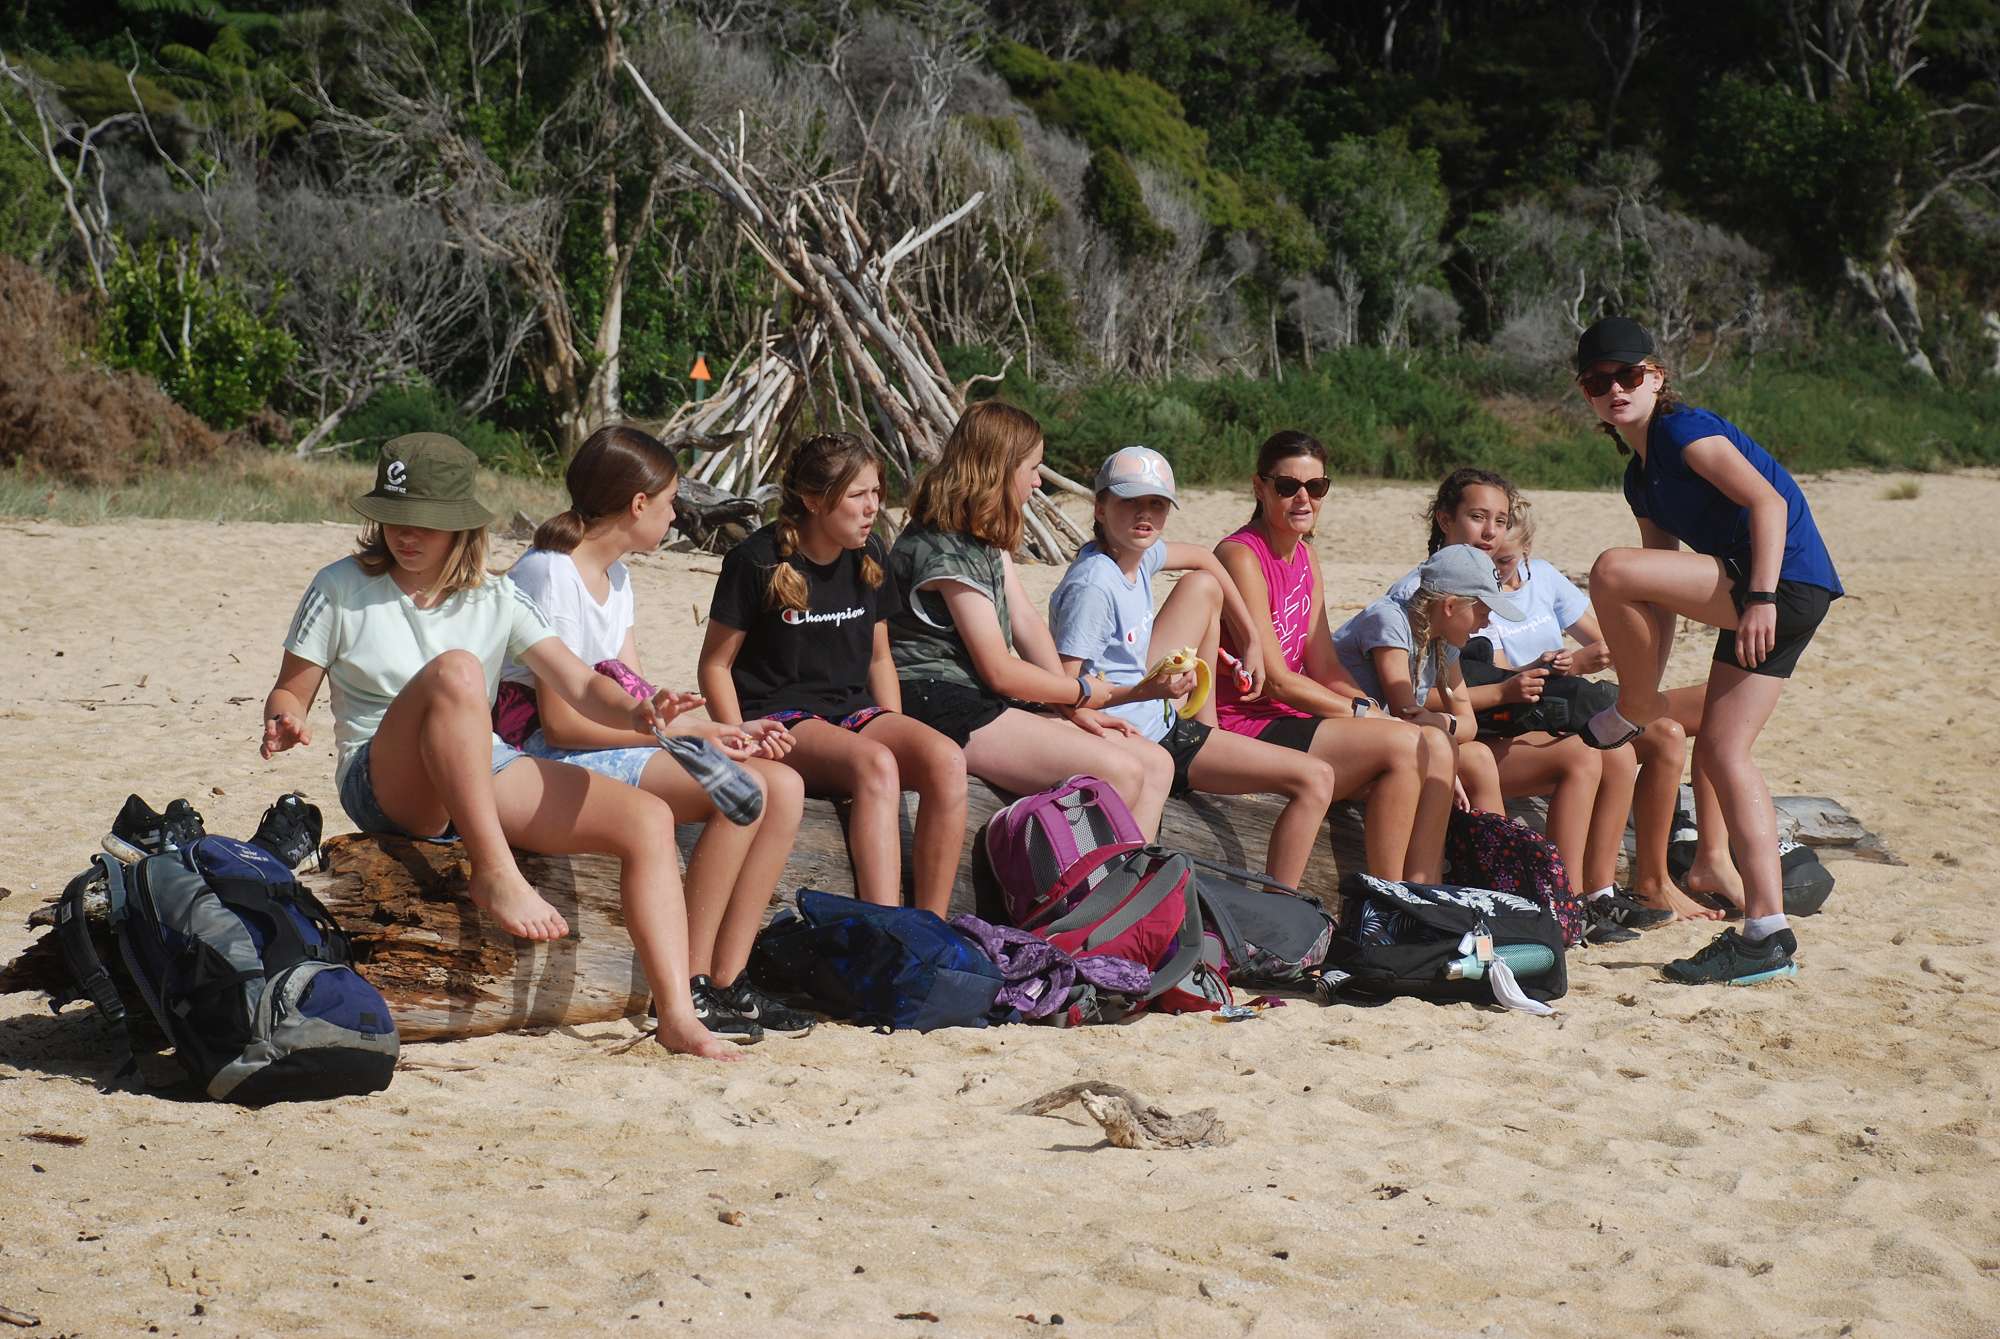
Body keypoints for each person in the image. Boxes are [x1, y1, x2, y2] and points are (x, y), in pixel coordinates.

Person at [261, 432, 741, 1060]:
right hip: (385, 776)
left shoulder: (496, 596)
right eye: (395, 517)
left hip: (480, 764)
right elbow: (289, 691)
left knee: (648, 819)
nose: (405, 534)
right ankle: (494, 871)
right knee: (458, 670)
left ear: (460, 525)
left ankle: (677, 1014)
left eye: (424, 521)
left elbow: (579, 684)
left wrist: (640, 710)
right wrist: (286, 718)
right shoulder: (340, 585)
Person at [499, 423, 813, 1042]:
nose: (676, 516)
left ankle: (728, 977)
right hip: (539, 750)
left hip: (599, 734)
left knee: (785, 786)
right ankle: (689, 982)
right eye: (670, 502)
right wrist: (689, 743)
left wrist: (725, 730)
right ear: (637, 503)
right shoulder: (551, 573)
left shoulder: (615, 576)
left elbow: (641, 701)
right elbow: (561, 724)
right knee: (741, 792)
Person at [1573, 315, 1842, 985]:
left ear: (1656, 377)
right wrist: (1645, 687)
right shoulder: (1639, 478)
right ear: (1586, 394)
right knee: (1723, 752)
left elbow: (1769, 503)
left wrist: (1761, 598)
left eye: (1628, 375)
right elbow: (1654, 596)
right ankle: (1767, 933)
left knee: (1609, 568)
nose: (1615, 389)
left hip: (1778, 583)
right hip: (1779, 588)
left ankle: (1636, 706)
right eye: (1599, 382)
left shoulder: (1682, 430)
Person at [699, 432, 968, 917]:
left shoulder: (869, 552)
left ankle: (931, 925)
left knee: (946, 758)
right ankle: (884, 929)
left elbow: (880, 659)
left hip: (852, 711)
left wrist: (895, 723)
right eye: (857, 494)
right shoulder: (758, 560)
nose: (873, 507)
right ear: (813, 500)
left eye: (876, 492)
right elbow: (715, 665)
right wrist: (738, 736)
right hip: (781, 717)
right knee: (876, 763)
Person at [1047, 446, 1334, 887]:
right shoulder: (1095, 585)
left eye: (1157, 504)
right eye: (1130, 502)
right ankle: (1271, 908)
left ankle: (1282, 913)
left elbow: (1204, 558)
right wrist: (1144, 694)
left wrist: (1251, 639)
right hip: (1136, 734)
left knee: (1317, 776)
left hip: (1163, 720)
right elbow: (1069, 689)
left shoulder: (1138, 554)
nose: (1145, 515)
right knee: (1312, 778)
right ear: (1100, 508)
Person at [1397, 470, 1664, 939]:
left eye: (1499, 521)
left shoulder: (1496, 584)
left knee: (1622, 746)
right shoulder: (1424, 595)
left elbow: (1466, 687)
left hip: (1493, 725)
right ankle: (1565, 902)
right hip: (1467, 735)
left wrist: (1553, 671)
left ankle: (1591, 895)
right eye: (1477, 517)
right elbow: (1410, 695)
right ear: (1444, 519)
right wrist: (1509, 689)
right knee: (1595, 749)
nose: (1489, 532)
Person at [886, 401, 1174, 834]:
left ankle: (1130, 875)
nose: (1038, 481)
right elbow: (998, 670)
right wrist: (1080, 691)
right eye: (1032, 468)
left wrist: (1071, 707)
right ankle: (1074, 875)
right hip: (934, 699)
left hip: (975, 694)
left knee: (1155, 761)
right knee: (1121, 772)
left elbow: (1025, 621)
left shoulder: (982, 531)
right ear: (999, 469)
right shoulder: (945, 545)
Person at [1211, 430, 1456, 883]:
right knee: (1404, 742)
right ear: (1260, 488)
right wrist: (1365, 715)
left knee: (1437, 743)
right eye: (1288, 486)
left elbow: (1324, 664)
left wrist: (1373, 709)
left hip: (1290, 715)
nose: (1303, 498)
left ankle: (1423, 892)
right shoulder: (1240, 555)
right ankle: (1385, 900)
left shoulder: (1306, 556)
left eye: (1316, 486)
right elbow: (1276, 679)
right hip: (1245, 722)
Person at [1483, 500, 1738, 920]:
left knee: (1713, 711)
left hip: (1568, 704)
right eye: (1490, 558)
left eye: (1505, 560)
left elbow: (1607, 641)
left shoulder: (1541, 576)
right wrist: (1567, 666)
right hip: (1526, 717)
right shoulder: (1474, 591)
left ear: (1526, 549)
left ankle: (1686, 867)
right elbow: (1485, 673)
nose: (1496, 570)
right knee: (1640, 739)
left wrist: (1604, 652)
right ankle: (1618, 886)